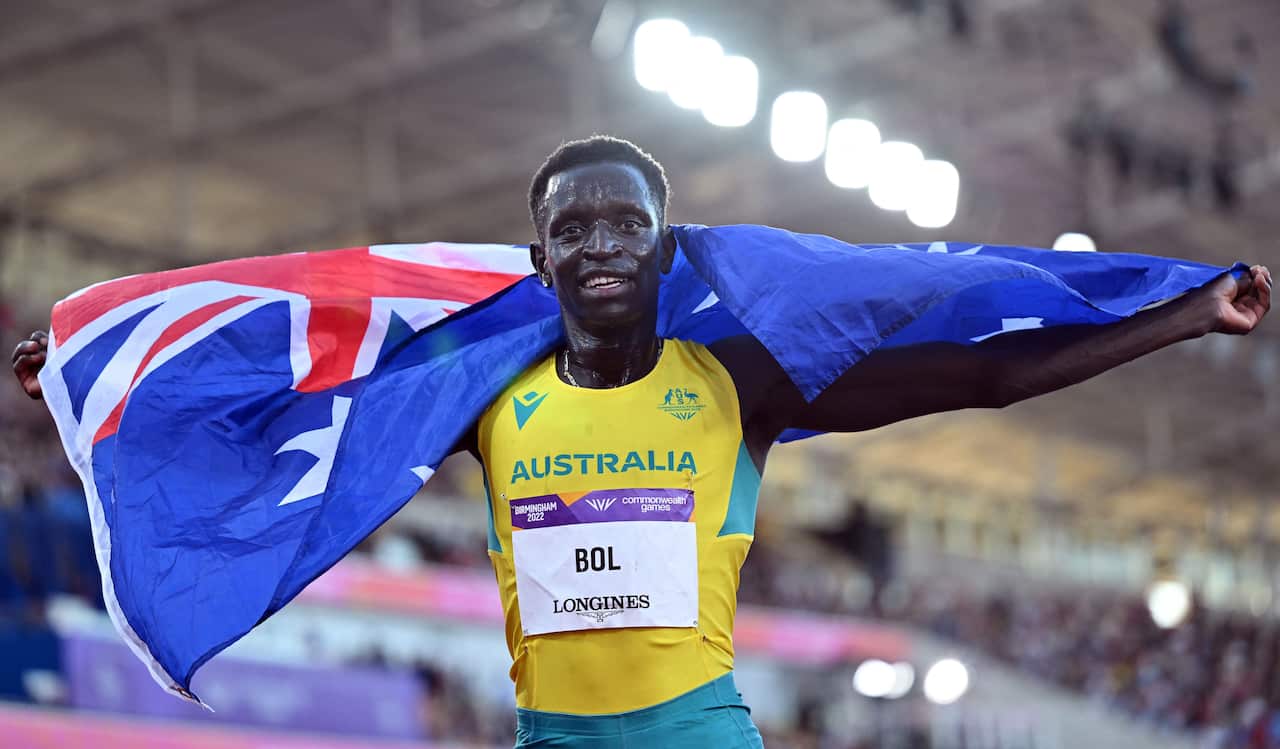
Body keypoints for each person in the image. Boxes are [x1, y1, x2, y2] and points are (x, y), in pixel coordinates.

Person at [11, 136, 1273, 747]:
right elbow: (285, 380)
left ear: (663, 249)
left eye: (628, 225)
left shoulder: (739, 384)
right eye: (576, 228)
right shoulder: (483, 391)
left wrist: (1174, 319)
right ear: (541, 255)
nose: (603, 243)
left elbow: (985, 373)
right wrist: (96, 376)